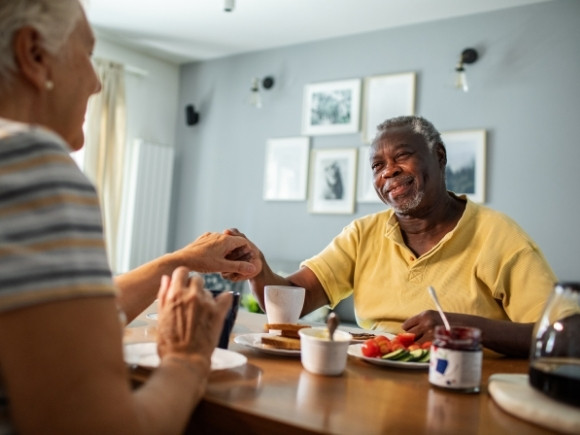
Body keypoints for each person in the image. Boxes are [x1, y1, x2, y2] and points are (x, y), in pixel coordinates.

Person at [0, 1, 260, 433]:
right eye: (86, 54)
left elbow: (54, 323)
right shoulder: (28, 163)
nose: (96, 83)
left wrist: (183, 260)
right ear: (34, 54)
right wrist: (189, 361)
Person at [225, 115, 557, 358]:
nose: (388, 171)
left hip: (463, 387)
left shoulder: (501, 237)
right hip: (369, 381)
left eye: (401, 156)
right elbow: (294, 300)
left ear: (438, 157)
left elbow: (563, 334)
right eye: (377, 165)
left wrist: (462, 328)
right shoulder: (362, 234)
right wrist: (257, 268)